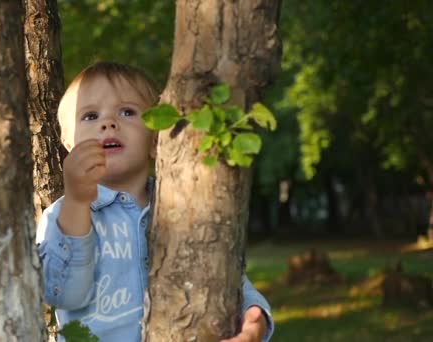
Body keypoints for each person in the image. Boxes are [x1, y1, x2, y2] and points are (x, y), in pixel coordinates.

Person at [36, 62, 273, 341]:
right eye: (89, 116)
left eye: (127, 112)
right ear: (68, 143)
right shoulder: (62, 215)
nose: (108, 122)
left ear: (155, 140)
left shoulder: (184, 208)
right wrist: (77, 201)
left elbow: (222, 271)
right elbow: (62, 293)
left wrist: (254, 319)